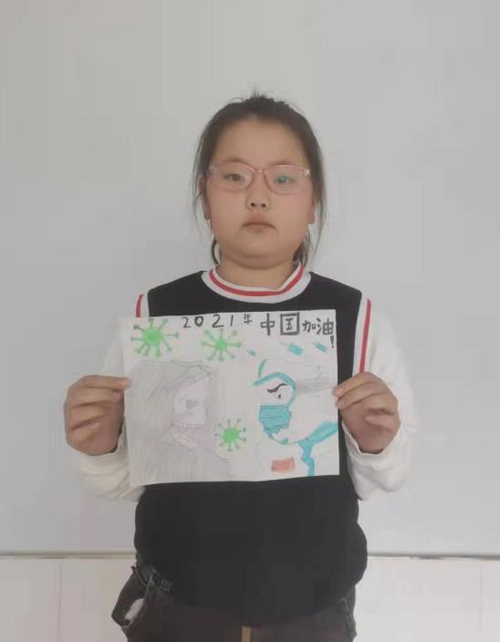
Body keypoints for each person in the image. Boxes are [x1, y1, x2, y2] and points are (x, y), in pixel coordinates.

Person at [64, 91, 419, 642]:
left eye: (283, 178)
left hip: (314, 617)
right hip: (175, 611)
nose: (258, 195)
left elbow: (387, 476)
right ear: (205, 198)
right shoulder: (154, 316)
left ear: (314, 202)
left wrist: (375, 441)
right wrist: (101, 444)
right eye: (234, 176)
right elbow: (124, 481)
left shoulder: (356, 318)